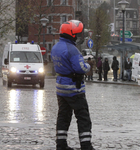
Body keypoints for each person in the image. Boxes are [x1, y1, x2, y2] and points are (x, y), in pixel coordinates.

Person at [51, 20, 95, 150]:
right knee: (83, 117)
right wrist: (88, 65)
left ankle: (61, 144)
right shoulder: (72, 50)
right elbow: (80, 68)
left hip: (61, 88)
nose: (79, 36)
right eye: (77, 33)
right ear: (72, 34)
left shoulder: (55, 47)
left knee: (63, 116)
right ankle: (86, 145)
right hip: (74, 89)